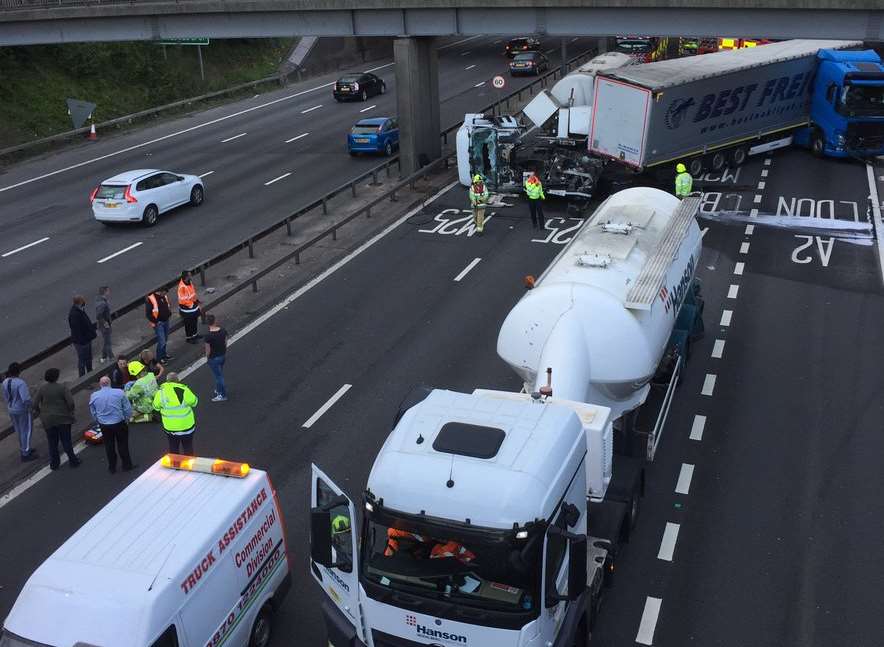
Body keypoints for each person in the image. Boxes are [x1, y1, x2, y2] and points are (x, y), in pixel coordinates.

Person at [32, 368, 80, 470]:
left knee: (52, 442)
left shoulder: (42, 389)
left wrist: (41, 413)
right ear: (56, 377)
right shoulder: (62, 388)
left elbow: (35, 404)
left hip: (48, 420)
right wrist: (70, 411)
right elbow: (71, 403)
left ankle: (54, 464)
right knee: (66, 440)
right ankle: (73, 460)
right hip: (63, 418)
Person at [89, 376, 135, 473]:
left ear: (100, 384)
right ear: (110, 383)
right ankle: (127, 465)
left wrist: (98, 421)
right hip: (119, 423)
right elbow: (127, 408)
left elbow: (93, 411)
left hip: (104, 425)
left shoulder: (94, 396)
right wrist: (127, 419)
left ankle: (112, 467)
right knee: (123, 444)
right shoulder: (119, 393)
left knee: (109, 446)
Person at [152, 372, 198, 455]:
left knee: (173, 447)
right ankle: (189, 465)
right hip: (186, 426)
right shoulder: (184, 390)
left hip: (170, 428)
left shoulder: (160, 393)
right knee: (188, 447)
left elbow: (155, 407)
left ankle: (175, 466)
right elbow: (194, 402)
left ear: (167, 381)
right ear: (178, 380)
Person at [2, 362, 36, 462]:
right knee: (26, 430)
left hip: (11, 408)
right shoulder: (21, 383)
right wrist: (31, 406)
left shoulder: (5, 382)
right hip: (21, 410)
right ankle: (25, 452)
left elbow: (5, 396)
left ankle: (24, 448)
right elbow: (25, 399)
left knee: (19, 431)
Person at [68, 295, 97, 377]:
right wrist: (83, 341)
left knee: (88, 359)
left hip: (86, 339)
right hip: (81, 342)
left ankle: (90, 374)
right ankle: (83, 379)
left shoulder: (79, 310)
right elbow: (76, 330)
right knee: (82, 361)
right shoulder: (75, 314)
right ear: (80, 302)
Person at [204, 314, 228, 402]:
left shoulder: (208, 336)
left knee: (218, 377)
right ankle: (218, 390)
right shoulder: (223, 331)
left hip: (213, 358)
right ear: (215, 321)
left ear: (207, 323)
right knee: (219, 373)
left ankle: (222, 394)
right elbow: (225, 343)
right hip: (222, 355)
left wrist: (207, 358)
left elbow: (208, 350)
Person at [145, 289, 173, 364]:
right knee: (162, 341)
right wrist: (157, 321)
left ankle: (163, 355)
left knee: (165, 339)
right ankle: (159, 358)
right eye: (165, 292)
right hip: (158, 324)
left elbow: (166, 305)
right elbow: (148, 314)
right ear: (160, 291)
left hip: (165, 320)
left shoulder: (163, 296)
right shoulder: (151, 299)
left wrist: (169, 313)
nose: (165, 294)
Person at [177, 270, 202, 344]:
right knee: (189, 324)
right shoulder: (182, 287)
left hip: (192, 307)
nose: (191, 276)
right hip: (186, 310)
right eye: (190, 275)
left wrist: (196, 301)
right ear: (186, 277)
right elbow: (182, 300)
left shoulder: (189, 282)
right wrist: (192, 305)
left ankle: (195, 335)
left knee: (194, 322)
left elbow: (192, 293)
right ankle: (189, 338)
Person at [95, 286, 113, 363]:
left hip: (105, 325)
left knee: (106, 341)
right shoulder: (102, 303)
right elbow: (99, 315)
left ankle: (103, 357)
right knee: (108, 343)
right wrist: (105, 323)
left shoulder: (102, 301)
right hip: (105, 326)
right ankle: (112, 359)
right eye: (108, 291)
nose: (109, 292)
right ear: (105, 292)